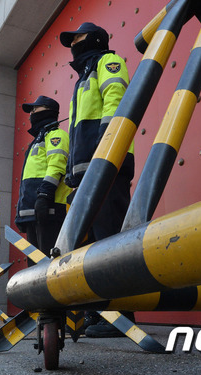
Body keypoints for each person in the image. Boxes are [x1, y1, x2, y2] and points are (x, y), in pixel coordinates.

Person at [60, 22, 135, 338]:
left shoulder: (107, 62)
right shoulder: (83, 78)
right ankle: (99, 309)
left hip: (107, 164)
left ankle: (120, 315)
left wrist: (107, 151)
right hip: (87, 171)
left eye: (76, 38)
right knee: (91, 243)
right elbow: (78, 133)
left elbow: (117, 100)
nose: (73, 44)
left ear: (93, 40)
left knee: (110, 238)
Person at [15, 95, 71, 263]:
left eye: (35, 109)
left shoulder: (56, 135)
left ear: (48, 110)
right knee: (35, 268)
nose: (31, 113)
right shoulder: (37, 141)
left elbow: (57, 166)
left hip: (49, 210)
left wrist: (44, 196)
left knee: (50, 264)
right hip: (35, 212)